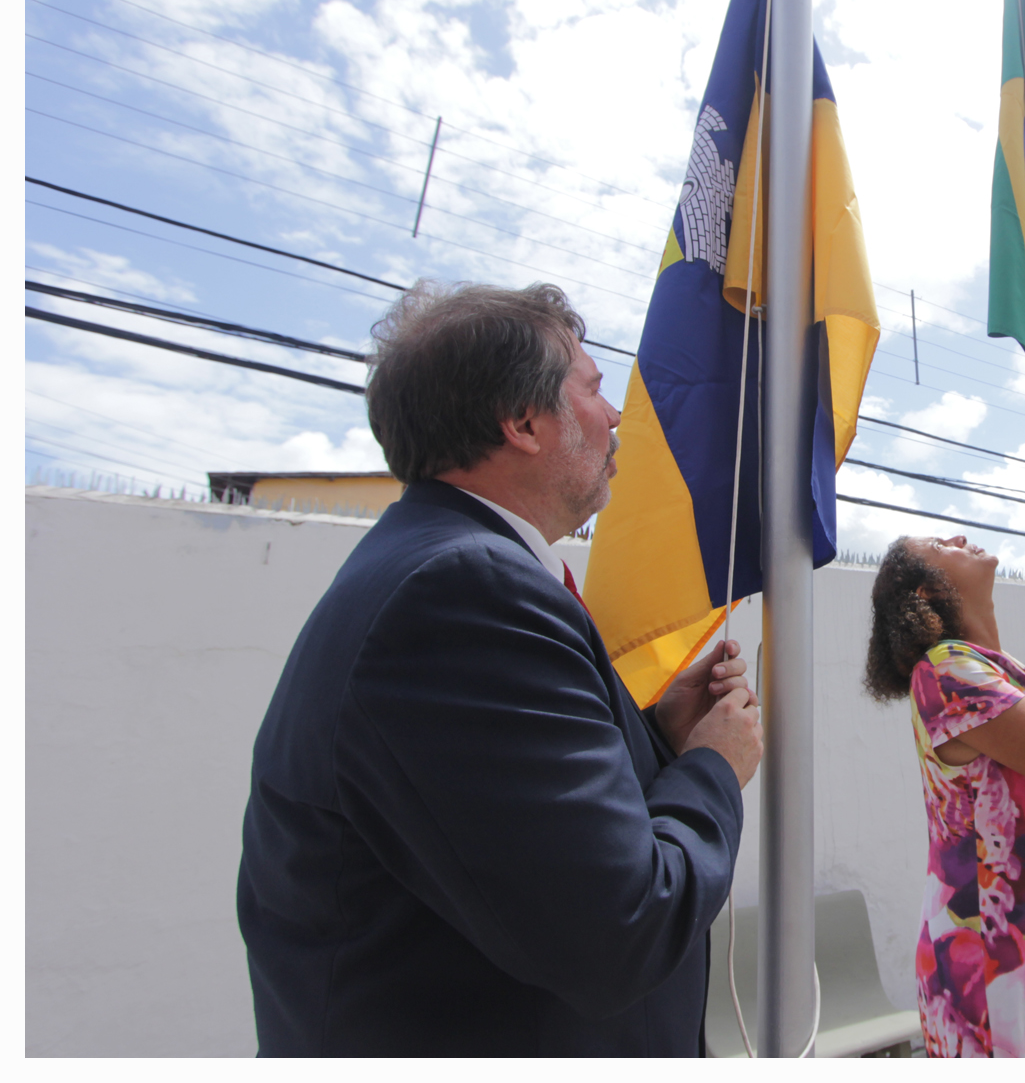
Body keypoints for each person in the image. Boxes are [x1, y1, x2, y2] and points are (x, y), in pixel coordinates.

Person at [238, 283, 764, 1055]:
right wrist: (714, 767)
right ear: (521, 423)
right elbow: (620, 929)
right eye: (590, 387)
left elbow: (518, 836)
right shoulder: (464, 593)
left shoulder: (446, 571)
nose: (615, 414)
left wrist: (657, 738)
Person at [862, 534, 1025, 1058]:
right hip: (999, 952)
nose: (958, 537)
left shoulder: (995, 670)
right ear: (927, 591)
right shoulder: (945, 670)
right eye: (940, 544)